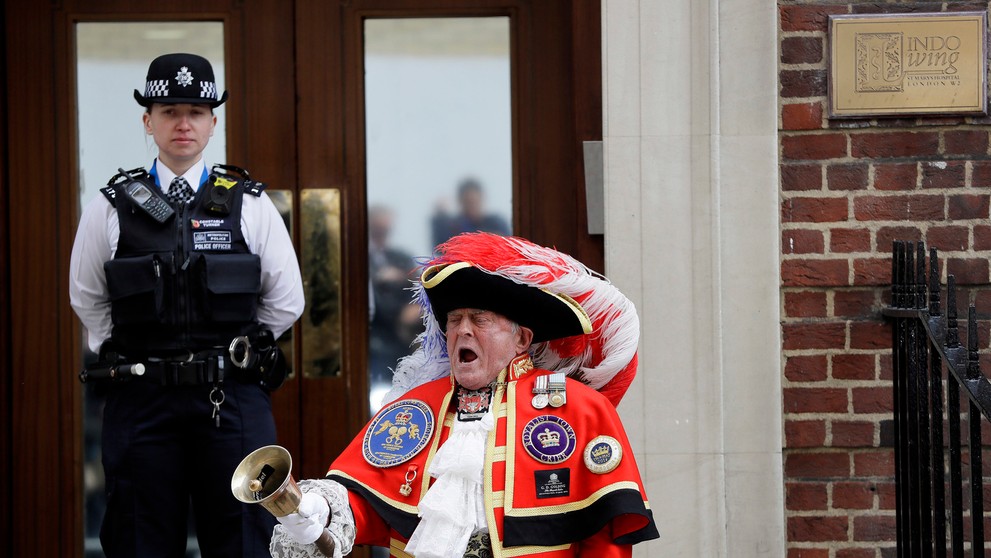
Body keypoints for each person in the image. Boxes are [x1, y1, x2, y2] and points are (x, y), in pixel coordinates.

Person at [269, 232, 658, 557]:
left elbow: (605, 532)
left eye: (480, 319)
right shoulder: (415, 407)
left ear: (522, 339)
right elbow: (370, 498)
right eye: (454, 320)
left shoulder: (578, 407)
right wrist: (318, 509)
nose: (463, 331)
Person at [69, 52, 305, 558]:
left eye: (195, 112)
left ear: (212, 122)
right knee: (139, 538)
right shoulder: (110, 206)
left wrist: (232, 348)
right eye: (170, 110)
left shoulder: (250, 202)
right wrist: (139, 352)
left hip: (231, 399)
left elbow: (286, 301)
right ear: (147, 121)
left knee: (244, 540)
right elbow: (87, 297)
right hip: (142, 400)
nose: (183, 123)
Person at [368, 204, 421, 408]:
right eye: (378, 230)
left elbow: (420, 285)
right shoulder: (362, 260)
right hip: (377, 340)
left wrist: (416, 306)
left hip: (405, 339)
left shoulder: (399, 257)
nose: (382, 235)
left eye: (386, 230)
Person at [431, 177, 510, 247]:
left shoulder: (495, 222)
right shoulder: (454, 226)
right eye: (468, 202)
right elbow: (440, 246)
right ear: (460, 201)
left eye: (475, 201)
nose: (472, 206)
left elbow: (508, 244)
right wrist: (440, 217)